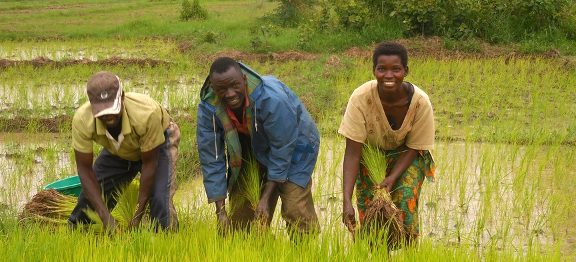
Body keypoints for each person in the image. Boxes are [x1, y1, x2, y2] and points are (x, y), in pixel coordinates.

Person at [196, 57, 320, 236]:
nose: (230, 94)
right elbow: (211, 158)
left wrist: (265, 198)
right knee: (242, 220)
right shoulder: (208, 107)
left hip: (295, 143)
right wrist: (220, 211)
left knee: (295, 209)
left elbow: (282, 148)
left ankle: (305, 252)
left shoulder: (271, 99)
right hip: (249, 144)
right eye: (222, 89)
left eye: (235, 86)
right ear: (214, 89)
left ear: (244, 80)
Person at [339, 42, 436, 243]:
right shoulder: (360, 98)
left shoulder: (420, 102)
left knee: (405, 202)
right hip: (370, 155)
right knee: (371, 210)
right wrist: (346, 200)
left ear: (406, 71)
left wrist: (392, 177)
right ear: (374, 70)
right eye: (382, 69)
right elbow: (352, 153)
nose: (389, 75)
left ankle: (410, 251)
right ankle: (378, 253)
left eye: (396, 69)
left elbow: (415, 147)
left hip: (407, 156)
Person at [68, 71, 180, 231]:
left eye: (113, 108)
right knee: (86, 208)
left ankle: (167, 243)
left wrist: (136, 217)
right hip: (118, 148)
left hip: (158, 142)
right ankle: (81, 240)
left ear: (122, 97)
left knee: (160, 200)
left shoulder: (146, 114)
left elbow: (150, 164)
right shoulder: (82, 120)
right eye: (102, 112)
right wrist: (106, 217)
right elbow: (84, 170)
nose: (108, 116)